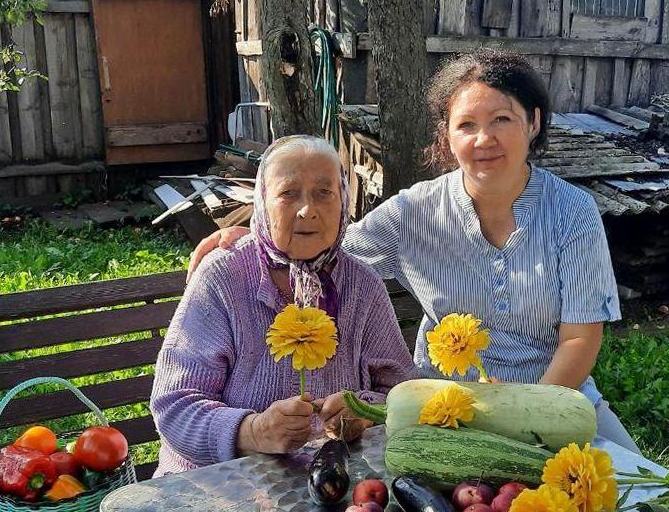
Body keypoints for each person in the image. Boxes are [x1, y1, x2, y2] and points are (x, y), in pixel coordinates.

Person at [189, 49, 640, 454]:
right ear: (447, 135)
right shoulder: (415, 211)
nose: (484, 140)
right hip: (445, 412)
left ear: (534, 122)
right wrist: (250, 240)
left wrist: (530, 416)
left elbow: (580, 339)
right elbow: (324, 244)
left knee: (640, 507)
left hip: (555, 399)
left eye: (501, 119)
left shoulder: (573, 213)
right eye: (467, 125)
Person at [150, 135, 416, 476]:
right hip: (219, 489)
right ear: (263, 203)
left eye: (324, 193)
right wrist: (252, 431)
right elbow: (175, 406)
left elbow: (402, 392)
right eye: (288, 194)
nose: (307, 210)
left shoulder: (362, 285)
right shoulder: (223, 277)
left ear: (343, 201)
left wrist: (365, 411)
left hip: (330, 483)